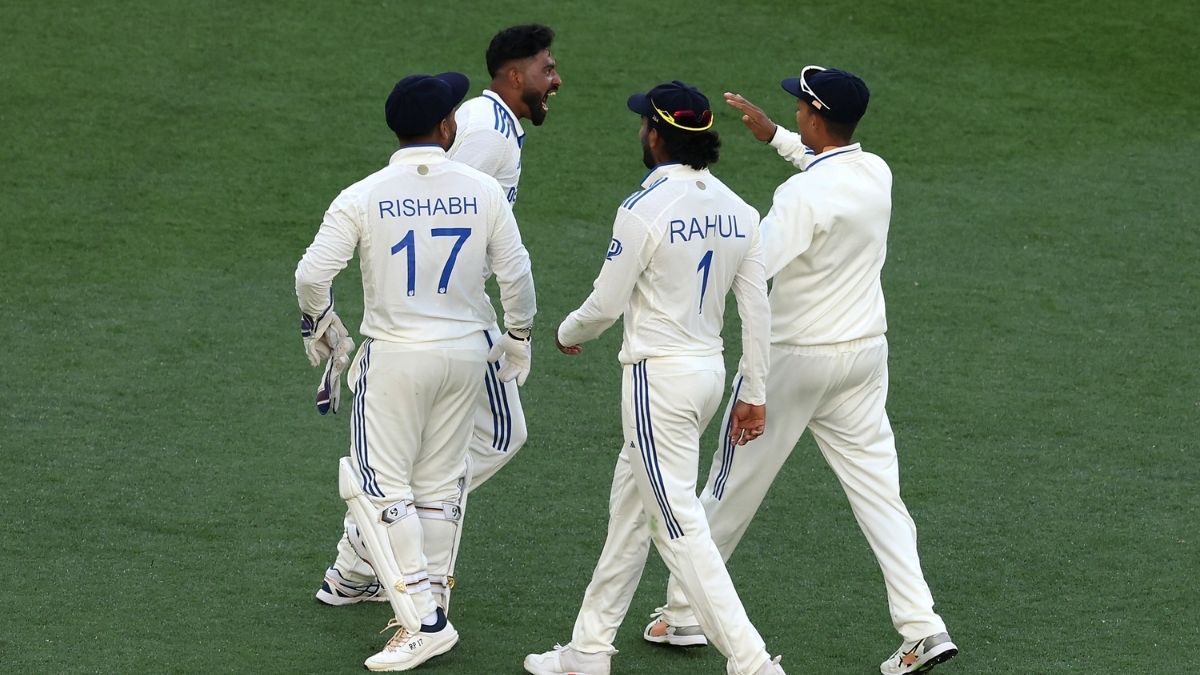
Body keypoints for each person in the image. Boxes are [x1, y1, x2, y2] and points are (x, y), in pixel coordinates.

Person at [642, 66, 958, 675]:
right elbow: (825, 173)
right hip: (863, 356)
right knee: (881, 495)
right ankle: (923, 625)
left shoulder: (799, 197)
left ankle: (683, 610)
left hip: (794, 359)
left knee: (731, 486)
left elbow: (751, 266)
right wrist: (775, 139)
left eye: (797, 108)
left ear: (814, 115)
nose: (792, 113)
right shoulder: (876, 172)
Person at [524, 81, 785, 675]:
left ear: (658, 135)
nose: (639, 130)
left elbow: (605, 304)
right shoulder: (740, 210)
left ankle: (752, 663)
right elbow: (758, 310)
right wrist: (755, 390)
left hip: (657, 382)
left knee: (677, 526)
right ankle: (589, 649)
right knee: (631, 509)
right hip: (709, 377)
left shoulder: (644, 207)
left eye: (644, 122)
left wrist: (567, 333)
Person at [295, 71, 536, 671]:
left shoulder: (363, 193)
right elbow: (516, 275)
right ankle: (422, 606)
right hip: (463, 355)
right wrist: (518, 337)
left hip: (395, 353)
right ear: (447, 126)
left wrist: (321, 323)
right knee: (437, 485)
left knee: (377, 486)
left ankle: (423, 621)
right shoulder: (480, 188)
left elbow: (309, 276)